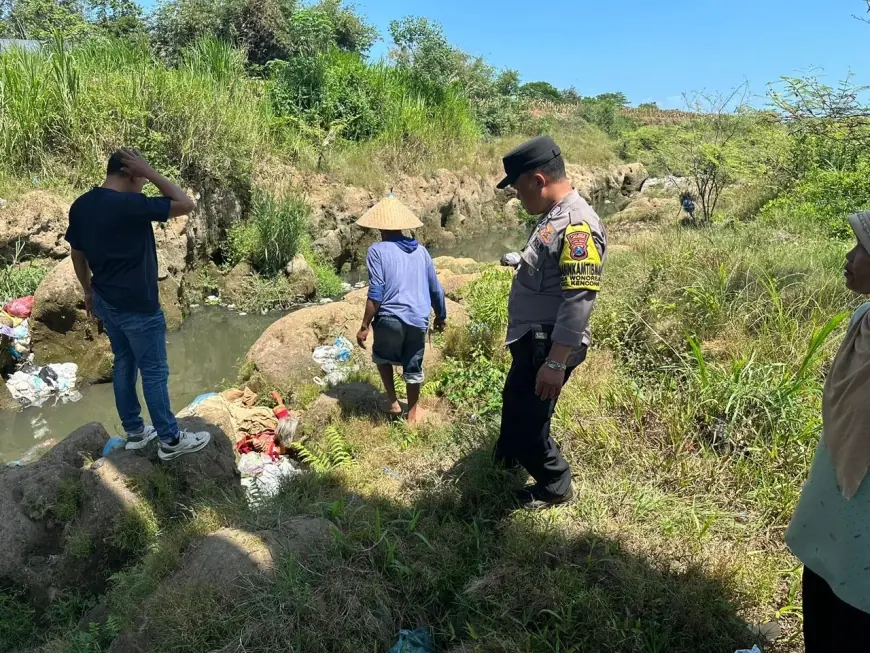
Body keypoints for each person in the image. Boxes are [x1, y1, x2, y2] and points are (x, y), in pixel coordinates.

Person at [66, 149, 211, 461]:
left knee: (124, 363)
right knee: (155, 371)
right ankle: (170, 439)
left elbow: (78, 255)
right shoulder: (129, 205)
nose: (144, 186)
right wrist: (154, 172)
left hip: (105, 300)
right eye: (142, 180)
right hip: (138, 306)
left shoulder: (80, 206)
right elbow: (186, 204)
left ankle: (134, 431)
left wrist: (88, 292)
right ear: (130, 174)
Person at [495, 135, 607, 509]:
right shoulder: (554, 216)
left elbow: (580, 298)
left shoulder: (577, 225)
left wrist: (556, 362)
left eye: (517, 186)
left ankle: (554, 484)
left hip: (549, 346)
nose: (516, 195)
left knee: (530, 422)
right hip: (533, 339)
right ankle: (505, 461)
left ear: (538, 180)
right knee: (515, 403)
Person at [786, 210, 870, 651]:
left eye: (863, 249)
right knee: (820, 581)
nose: (850, 256)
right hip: (834, 485)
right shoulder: (864, 316)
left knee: (856, 611)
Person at [355, 194, 447, 426]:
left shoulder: (376, 251)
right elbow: (436, 288)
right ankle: (413, 413)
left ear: (380, 228)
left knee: (381, 355)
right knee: (413, 363)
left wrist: (365, 325)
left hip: (389, 318)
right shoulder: (422, 252)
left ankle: (393, 403)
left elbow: (376, 292)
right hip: (418, 318)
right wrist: (441, 316)